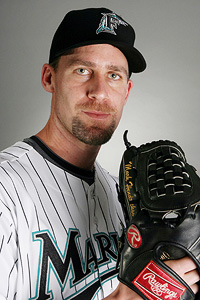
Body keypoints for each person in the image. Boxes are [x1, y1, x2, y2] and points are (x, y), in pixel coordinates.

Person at [0, 7, 199, 300]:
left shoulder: (122, 193)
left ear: (127, 90)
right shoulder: (6, 189)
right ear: (49, 78)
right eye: (83, 71)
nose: (100, 91)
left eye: (114, 75)